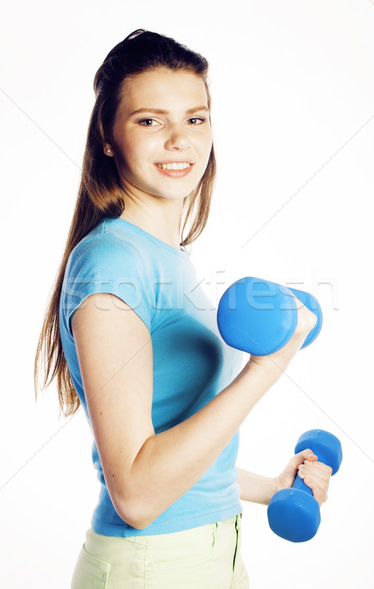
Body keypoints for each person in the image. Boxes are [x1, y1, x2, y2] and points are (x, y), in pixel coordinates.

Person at [34, 29, 332, 589]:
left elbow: (172, 448)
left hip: (209, 552)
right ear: (107, 135)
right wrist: (268, 366)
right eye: (150, 121)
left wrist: (271, 487)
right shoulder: (114, 264)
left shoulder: (164, 258)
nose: (179, 140)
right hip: (153, 565)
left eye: (195, 119)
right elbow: (138, 494)